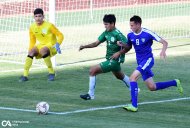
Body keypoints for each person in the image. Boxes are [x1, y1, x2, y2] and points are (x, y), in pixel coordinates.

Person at [116, 15, 183, 112]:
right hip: (140, 62)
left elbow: (164, 42)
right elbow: (129, 46)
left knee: (132, 78)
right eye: (130, 26)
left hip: (148, 60)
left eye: (132, 25)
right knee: (152, 87)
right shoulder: (130, 35)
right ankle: (175, 82)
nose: (131, 28)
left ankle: (134, 105)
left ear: (138, 24)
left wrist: (163, 51)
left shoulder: (147, 33)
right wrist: (122, 44)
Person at [79, 14, 133, 100]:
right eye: (104, 24)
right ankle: (134, 89)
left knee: (92, 70)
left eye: (106, 24)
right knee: (120, 76)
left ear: (112, 24)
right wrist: (84, 46)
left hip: (115, 61)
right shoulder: (106, 33)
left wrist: (119, 52)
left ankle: (90, 94)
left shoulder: (118, 34)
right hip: (109, 59)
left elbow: (128, 47)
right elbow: (96, 43)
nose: (105, 26)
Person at [19, 8, 64, 82]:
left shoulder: (49, 26)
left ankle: (51, 72)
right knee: (31, 52)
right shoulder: (32, 27)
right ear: (34, 17)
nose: (38, 18)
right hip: (41, 45)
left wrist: (58, 43)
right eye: (36, 16)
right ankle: (25, 75)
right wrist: (30, 49)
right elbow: (32, 40)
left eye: (40, 16)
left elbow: (60, 35)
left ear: (43, 16)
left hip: (52, 45)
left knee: (43, 50)